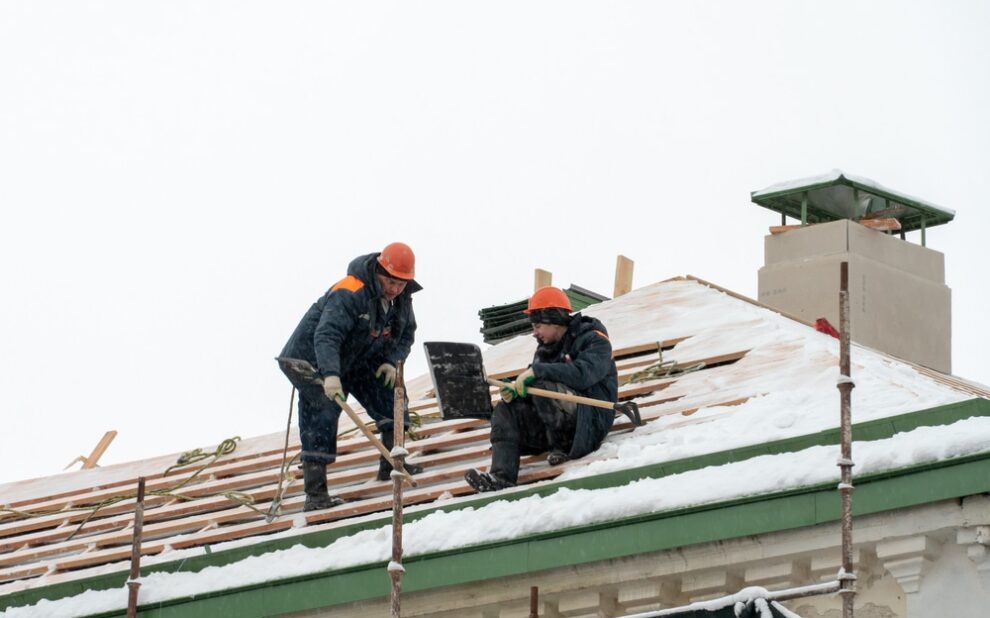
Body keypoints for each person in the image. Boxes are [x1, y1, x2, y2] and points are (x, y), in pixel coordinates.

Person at [279, 242, 423, 511]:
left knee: (390, 395)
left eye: (400, 284)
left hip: (355, 357)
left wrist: (392, 361)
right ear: (379, 271)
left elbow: (406, 334)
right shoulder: (351, 291)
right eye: (390, 282)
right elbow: (327, 335)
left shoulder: (401, 299)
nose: (394, 289)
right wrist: (331, 375)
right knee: (322, 408)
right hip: (309, 359)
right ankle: (316, 495)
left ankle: (392, 464)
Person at [465, 286, 618, 492]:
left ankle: (563, 446)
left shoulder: (594, 339)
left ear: (553, 319)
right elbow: (538, 386)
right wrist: (516, 394)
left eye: (537, 326)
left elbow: (583, 375)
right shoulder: (545, 348)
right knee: (505, 409)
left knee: (539, 384)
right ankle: (501, 476)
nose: (534, 333)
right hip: (552, 428)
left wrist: (536, 373)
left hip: (588, 423)